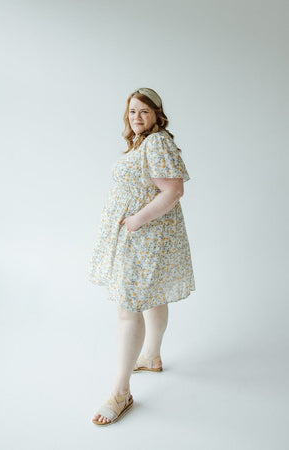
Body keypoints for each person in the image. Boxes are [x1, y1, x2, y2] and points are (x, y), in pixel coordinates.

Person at [88, 87, 196, 425]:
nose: (137, 117)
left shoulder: (157, 141)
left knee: (127, 310)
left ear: (157, 115)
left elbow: (174, 190)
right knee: (151, 297)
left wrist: (135, 221)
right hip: (143, 236)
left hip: (144, 236)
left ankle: (120, 392)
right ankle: (150, 356)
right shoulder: (143, 143)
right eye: (133, 111)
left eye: (144, 112)